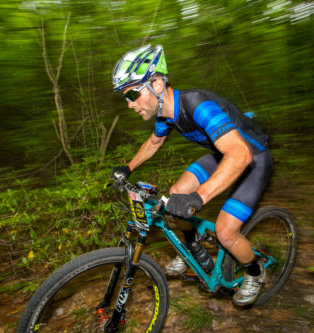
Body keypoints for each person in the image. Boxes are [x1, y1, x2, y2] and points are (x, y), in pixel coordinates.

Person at [111, 45, 273, 306]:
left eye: (132, 93)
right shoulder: (165, 115)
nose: (130, 104)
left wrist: (200, 197)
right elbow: (153, 143)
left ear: (158, 84)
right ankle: (193, 249)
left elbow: (240, 154)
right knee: (176, 194)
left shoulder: (198, 105)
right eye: (125, 97)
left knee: (225, 232)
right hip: (223, 155)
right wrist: (128, 168)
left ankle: (255, 271)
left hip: (253, 159)